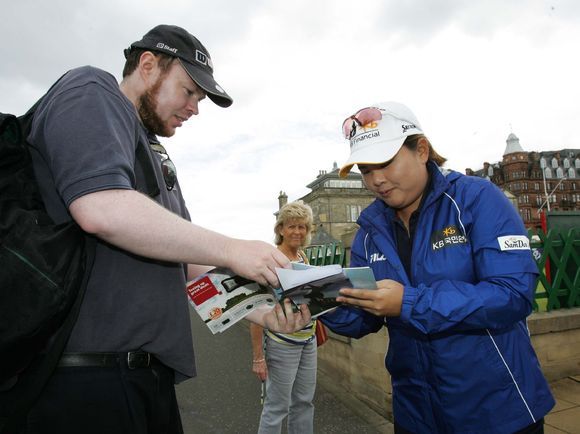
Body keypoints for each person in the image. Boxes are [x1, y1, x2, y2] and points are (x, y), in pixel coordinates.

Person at [19, 25, 310, 434]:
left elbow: (188, 264)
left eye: (199, 99)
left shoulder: (154, 152)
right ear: (148, 65)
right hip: (86, 378)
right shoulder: (92, 90)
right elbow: (99, 208)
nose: (194, 108)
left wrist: (261, 313)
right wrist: (232, 249)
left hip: (146, 378)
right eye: (188, 91)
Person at [320, 102, 555, 433]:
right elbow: (363, 318)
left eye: (384, 162)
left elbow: (513, 294)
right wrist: (319, 305)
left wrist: (408, 302)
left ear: (421, 150)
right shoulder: (370, 231)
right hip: (415, 414)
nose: (377, 179)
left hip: (497, 412)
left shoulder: (477, 198)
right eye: (366, 170)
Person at [250, 201, 319, 434]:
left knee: (304, 403)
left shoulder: (303, 257)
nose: (298, 232)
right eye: (292, 226)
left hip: (308, 340)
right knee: (276, 407)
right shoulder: (271, 261)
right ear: (280, 229)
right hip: (282, 344)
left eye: (302, 227)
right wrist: (258, 358)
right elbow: (257, 310)